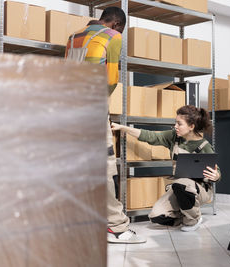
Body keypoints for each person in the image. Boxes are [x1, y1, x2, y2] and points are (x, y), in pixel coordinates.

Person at [65, 7, 146, 244]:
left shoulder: (74, 36)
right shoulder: (112, 36)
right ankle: (116, 227)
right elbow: (110, 79)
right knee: (105, 165)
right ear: (117, 24)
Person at [111, 105, 221, 232]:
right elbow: (150, 136)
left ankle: (193, 220)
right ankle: (185, 216)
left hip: (200, 190)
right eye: (175, 123)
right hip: (179, 187)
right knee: (156, 216)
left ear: (192, 126)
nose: (175, 126)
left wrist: (216, 176)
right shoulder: (174, 137)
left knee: (181, 184)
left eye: (179, 124)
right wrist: (122, 127)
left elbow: (217, 172)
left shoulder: (205, 147)